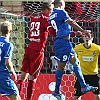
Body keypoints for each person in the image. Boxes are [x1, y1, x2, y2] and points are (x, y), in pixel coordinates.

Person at [48, 0, 98, 99]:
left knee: (75, 62)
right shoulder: (61, 12)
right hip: (63, 43)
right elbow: (71, 22)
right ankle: (57, 91)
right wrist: (82, 30)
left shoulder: (51, 16)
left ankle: (83, 86)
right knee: (61, 67)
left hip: (63, 42)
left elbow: (56, 31)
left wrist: (74, 33)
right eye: (64, 4)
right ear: (61, 4)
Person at [17, 2, 56, 100]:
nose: (52, 13)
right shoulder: (45, 20)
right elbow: (53, 33)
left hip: (29, 48)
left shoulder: (34, 18)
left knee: (22, 76)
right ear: (46, 10)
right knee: (32, 78)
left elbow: (29, 34)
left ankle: (16, 97)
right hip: (37, 52)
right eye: (51, 10)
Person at [74, 32, 100, 100]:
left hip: (93, 75)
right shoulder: (78, 48)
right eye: (85, 36)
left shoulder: (97, 48)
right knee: (76, 97)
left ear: (92, 38)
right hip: (81, 76)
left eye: (88, 36)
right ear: (83, 38)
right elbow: (72, 57)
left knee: (97, 96)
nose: (87, 37)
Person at [0, 21, 21, 100]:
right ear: (11, 31)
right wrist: (13, 72)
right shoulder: (8, 44)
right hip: (2, 75)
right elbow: (7, 62)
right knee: (15, 96)